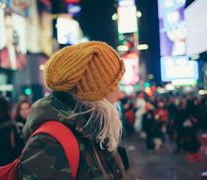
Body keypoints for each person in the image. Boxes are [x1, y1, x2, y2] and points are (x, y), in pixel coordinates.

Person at [19, 42, 127, 179]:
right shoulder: (50, 143)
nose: (119, 90)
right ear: (97, 90)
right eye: (116, 82)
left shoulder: (92, 129)